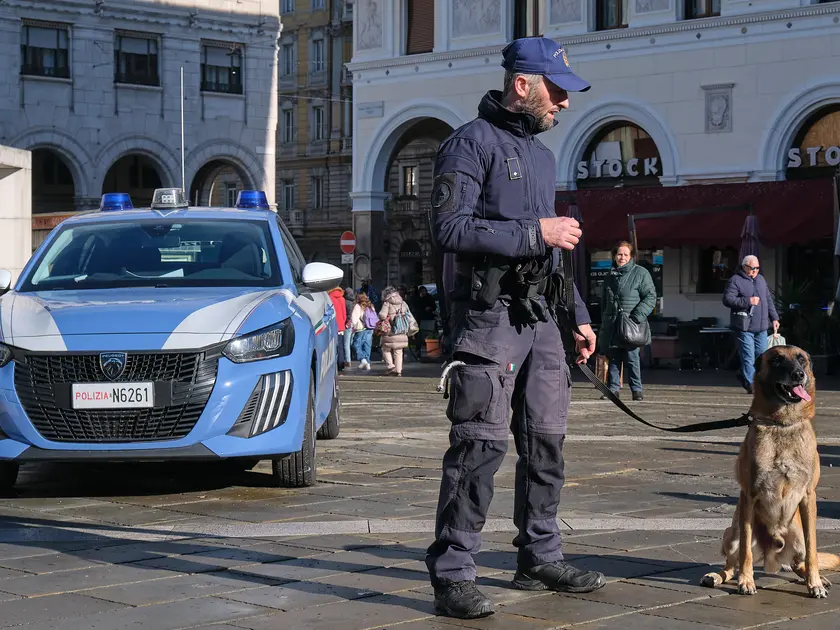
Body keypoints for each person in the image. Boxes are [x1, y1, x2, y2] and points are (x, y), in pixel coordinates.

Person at [424, 37, 606, 620]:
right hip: (489, 319)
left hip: (544, 320)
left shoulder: (545, 157)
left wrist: (576, 315)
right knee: (479, 445)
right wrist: (537, 233)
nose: (564, 104)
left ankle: (540, 555)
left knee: (546, 442)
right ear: (522, 84)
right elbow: (449, 228)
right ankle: (454, 571)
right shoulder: (468, 144)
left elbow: (554, 252)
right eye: (556, 91)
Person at [597, 241, 656, 401]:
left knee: (632, 358)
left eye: (625, 255)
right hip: (613, 323)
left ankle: (637, 390)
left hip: (631, 323)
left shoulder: (640, 273)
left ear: (631, 257)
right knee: (613, 357)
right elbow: (604, 302)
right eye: (619, 254)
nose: (622, 257)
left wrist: (637, 316)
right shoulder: (610, 276)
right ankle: (612, 390)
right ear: (615, 256)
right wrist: (604, 321)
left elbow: (650, 297)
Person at [723, 255, 779, 393]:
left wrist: (774, 318)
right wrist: (748, 301)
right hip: (744, 325)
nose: (755, 271)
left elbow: (768, 300)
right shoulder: (735, 280)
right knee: (748, 355)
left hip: (761, 326)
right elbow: (727, 299)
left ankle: (752, 378)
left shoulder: (760, 280)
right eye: (752, 268)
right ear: (745, 267)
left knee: (762, 355)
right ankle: (752, 385)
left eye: (757, 268)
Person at [378, 285, 411, 376]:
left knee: (385, 348)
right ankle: (398, 370)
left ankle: (390, 366)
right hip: (402, 329)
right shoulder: (402, 302)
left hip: (391, 329)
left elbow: (382, 315)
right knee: (399, 350)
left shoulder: (387, 303)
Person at [349, 292, 376, 370]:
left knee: (355, 344)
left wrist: (353, 327)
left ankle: (363, 359)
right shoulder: (371, 306)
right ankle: (367, 363)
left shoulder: (358, 306)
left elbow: (354, 319)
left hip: (360, 329)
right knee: (367, 346)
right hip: (370, 328)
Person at [328, 285, 348, 371]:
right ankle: (341, 363)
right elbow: (344, 314)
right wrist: (342, 323)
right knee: (341, 345)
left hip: (332, 325)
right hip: (341, 326)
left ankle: (334, 364)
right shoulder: (342, 299)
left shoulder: (329, 298)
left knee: (332, 346)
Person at [342, 288, 356, 368]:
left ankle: (347, 360)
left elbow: (347, 315)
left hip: (347, 324)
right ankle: (349, 358)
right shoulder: (353, 302)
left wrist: (346, 321)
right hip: (353, 324)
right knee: (349, 342)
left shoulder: (345, 302)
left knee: (346, 343)